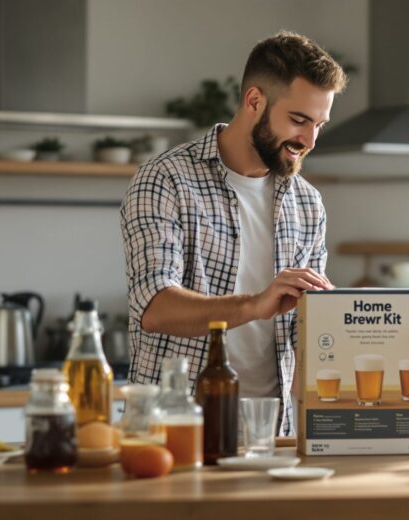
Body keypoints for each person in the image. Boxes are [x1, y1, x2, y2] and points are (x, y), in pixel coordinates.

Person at [119, 32, 347, 435]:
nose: (309, 141)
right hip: (174, 431)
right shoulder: (165, 180)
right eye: (298, 120)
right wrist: (256, 304)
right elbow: (154, 308)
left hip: (272, 434)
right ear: (254, 101)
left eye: (319, 124)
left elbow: (306, 337)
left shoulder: (307, 203)